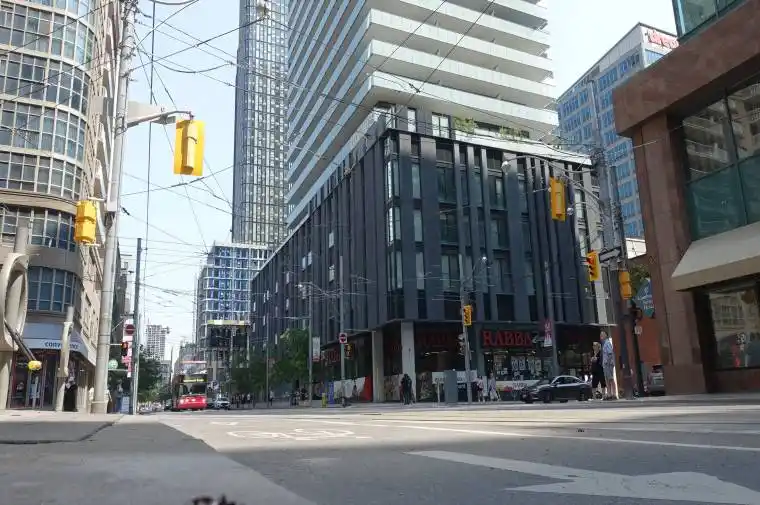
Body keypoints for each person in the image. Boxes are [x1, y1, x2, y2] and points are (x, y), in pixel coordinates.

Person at [601, 331, 618, 400]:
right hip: (605, 364)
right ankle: (609, 394)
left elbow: (610, 353)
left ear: (606, 335)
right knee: (607, 379)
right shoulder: (604, 343)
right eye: (601, 334)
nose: (601, 335)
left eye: (603, 334)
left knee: (610, 378)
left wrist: (609, 362)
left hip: (608, 363)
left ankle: (613, 394)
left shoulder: (607, 342)